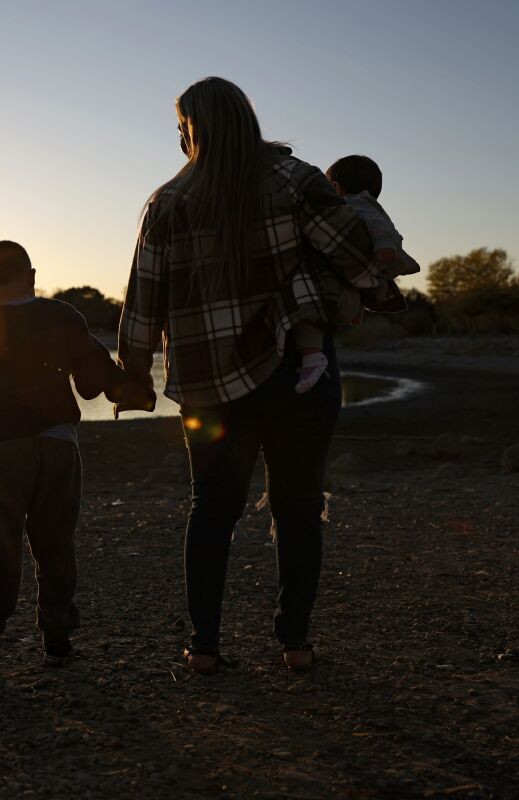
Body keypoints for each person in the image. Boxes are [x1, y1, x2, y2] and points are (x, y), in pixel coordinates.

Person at [118, 77, 379, 674]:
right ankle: (295, 644)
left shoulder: (167, 203)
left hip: (208, 383)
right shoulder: (295, 180)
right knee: (298, 506)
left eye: (181, 127)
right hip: (296, 369)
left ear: (193, 129)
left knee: (211, 508)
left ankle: (205, 646)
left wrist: (132, 374)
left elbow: (143, 301)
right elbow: (357, 259)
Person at [0, 241, 152, 670]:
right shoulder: (62, 316)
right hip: (59, 442)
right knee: (55, 545)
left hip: (1, 445)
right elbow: (93, 377)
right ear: (31, 275)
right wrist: (128, 389)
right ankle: (57, 639)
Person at [291, 154, 419, 393]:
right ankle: (322, 345)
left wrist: (384, 247)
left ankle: (312, 355)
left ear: (334, 188)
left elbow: (379, 227)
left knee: (308, 310)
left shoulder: (353, 203)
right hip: (358, 275)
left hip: (371, 264)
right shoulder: (364, 204)